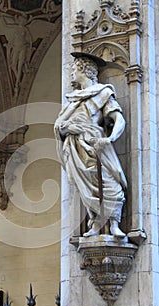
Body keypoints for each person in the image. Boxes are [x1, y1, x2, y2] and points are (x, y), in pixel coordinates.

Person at [54, 52, 127, 238]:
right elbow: (60, 127)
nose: (71, 72)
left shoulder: (103, 93)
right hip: (76, 149)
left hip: (95, 145)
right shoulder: (72, 100)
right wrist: (64, 128)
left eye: (73, 68)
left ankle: (114, 223)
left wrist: (109, 139)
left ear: (84, 69)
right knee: (85, 188)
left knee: (111, 184)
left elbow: (119, 119)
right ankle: (95, 223)